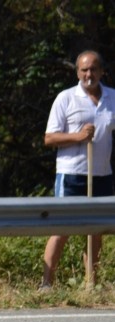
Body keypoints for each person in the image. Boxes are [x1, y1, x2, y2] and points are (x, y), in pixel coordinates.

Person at [41, 50, 115, 289]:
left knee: (96, 231)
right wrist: (79, 136)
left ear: (101, 71)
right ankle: (46, 283)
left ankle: (90, 284)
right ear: (77, 72)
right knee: (62, 228)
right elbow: (49, 138)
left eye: (93, 69)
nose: (88, 74)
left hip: (102, 173)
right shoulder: (66, 98)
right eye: (84, 70)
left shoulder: (112, 98)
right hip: (72, 174)